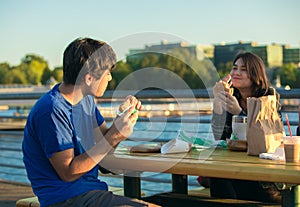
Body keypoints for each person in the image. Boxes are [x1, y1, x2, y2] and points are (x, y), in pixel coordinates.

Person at [22, 37, 159, 207]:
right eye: (107, 73)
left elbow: (104, 150)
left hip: (90, 193)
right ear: (88, 79)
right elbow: (68, 172)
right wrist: (114, 136)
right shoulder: (51, 110)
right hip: (66, 199)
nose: (109, 78)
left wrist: (121, 120)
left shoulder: (86, 101)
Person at [209, 51, 282, 203]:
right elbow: (219, 137)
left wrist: (239, 113)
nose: (236, 73)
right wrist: (217, 106)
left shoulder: (268, 96)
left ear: (255, 74)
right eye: (235, 68)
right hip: (234, 163)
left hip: (263, 170)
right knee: (217, 176)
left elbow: (266, 138)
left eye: (243, 69)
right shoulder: (230, 95)